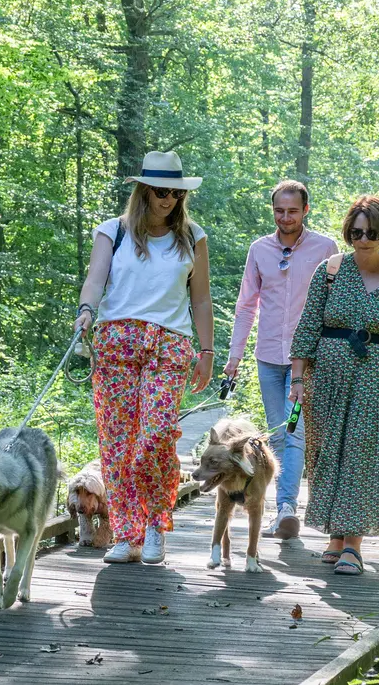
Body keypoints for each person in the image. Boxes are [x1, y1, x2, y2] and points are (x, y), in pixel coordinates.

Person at [75, 151, 216, 565]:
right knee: (117, 445)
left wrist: (206, 351)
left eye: (176, 191)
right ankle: (126, 534)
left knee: (153, 440)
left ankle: (155, 523)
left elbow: (202, 298)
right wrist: (86, 311)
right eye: (160, 190)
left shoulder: (193, 237)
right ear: (143, 190)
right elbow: (95, 280)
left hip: (169, 344)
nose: (168, 198)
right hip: (116, 342)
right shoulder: (112, 232)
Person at [288, 195, 379, 576]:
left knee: (365, 454)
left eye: (371, 232)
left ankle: (353, 544)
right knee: (327, 452)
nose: (363, 239)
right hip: (327, 376)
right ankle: (334, 536)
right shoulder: (329, 271)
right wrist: (298, 379)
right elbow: (307, 328)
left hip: (378, 378)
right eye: (356, 232)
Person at [223, 180, 339, 540]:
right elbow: (246, 306)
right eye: (279, 210)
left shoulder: (326, 248)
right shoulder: (259, 250)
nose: (285, 217)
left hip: (309, 360)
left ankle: (286, 507)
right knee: (277, 434)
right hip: (269, 357)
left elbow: (335, 306)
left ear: (306, 210)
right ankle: (282, 508)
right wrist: (233, 358)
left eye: (292, 210)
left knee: (295, 432)